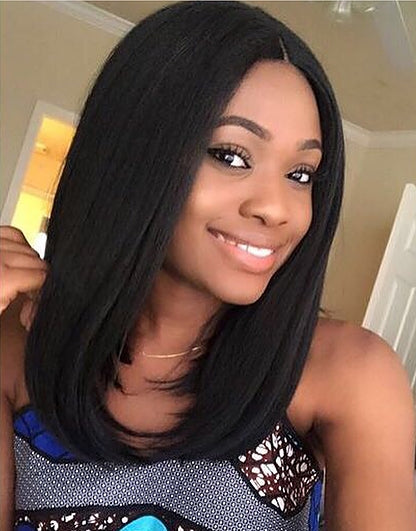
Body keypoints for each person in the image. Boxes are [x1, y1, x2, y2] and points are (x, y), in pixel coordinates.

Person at [1, 1, 415, 530]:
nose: (276, 209)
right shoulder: (21, 346)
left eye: (301, 174)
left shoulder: (346, 372)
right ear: (133, 154)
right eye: (232, 156)